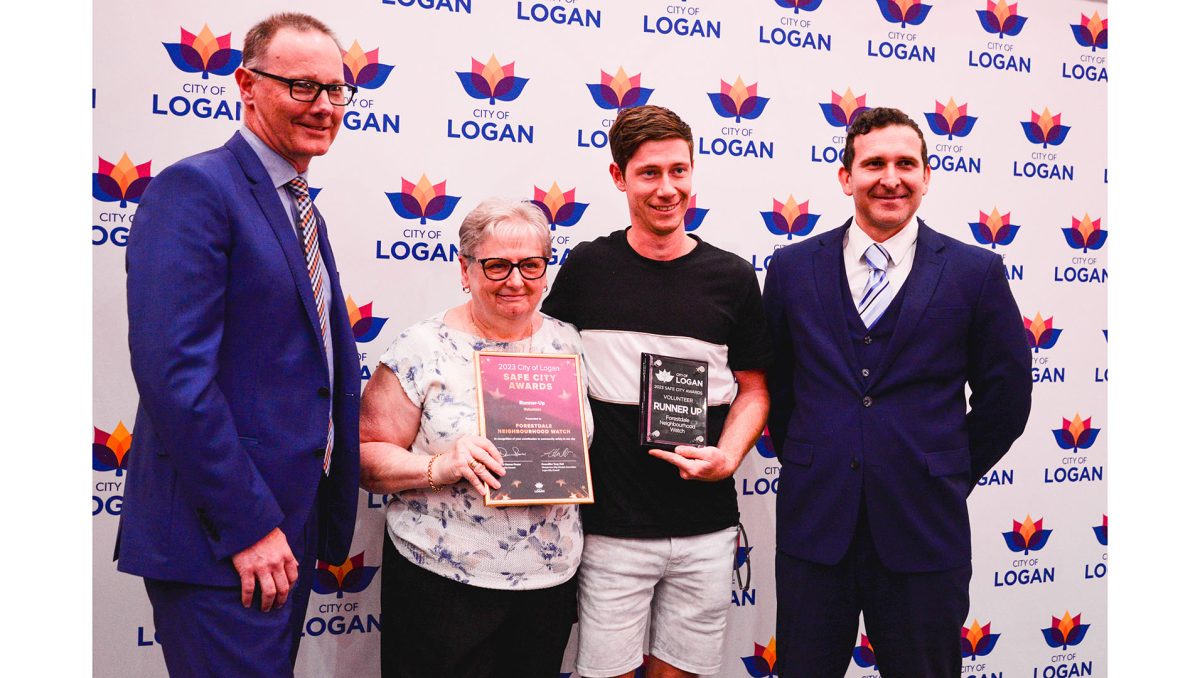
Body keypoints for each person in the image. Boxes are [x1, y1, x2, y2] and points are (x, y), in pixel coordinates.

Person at [117, 13, 361, 675]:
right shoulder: (196, 189)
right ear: (247, 84)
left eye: (336, 90)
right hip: (225, 539)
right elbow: (176, 377)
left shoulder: (299, 204)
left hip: (287, 529)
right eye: (301, 87)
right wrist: (249, 526)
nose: (323, 107)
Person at [762, 107, 1033, 677]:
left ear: (927, 175)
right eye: (874, 163)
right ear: (845, 177)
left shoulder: (975, 272)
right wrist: (813, 455)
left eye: (906, 163)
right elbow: (779, 386)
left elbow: (1006, 398)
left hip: (924, 528)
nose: (891, 177)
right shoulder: (790, 269)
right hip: (816, 526)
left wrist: (947, 468)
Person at [541, 105, 773, 678]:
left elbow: (755, 390)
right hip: (609, 530)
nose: (668, 189)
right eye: (649, 173)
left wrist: (730, 456)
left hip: (707, 530)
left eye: (679, 171)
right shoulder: (588, 267)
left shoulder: (733, 277)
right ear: (619, 177)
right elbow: (541, 373)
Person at [360, 198, 593, 677]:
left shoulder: (567, 341)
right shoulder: (420, 348)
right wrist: (438, 467)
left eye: (530, 265)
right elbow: (364, 456)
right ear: (465, 270)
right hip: (442, 582)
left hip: (547, 584)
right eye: (496, 265)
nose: (516, 280)